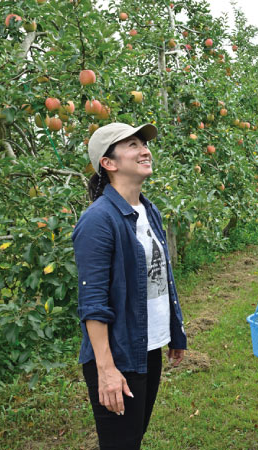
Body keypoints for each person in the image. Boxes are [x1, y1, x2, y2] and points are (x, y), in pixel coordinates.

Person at [73, 122, 187, 449]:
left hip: (147, 347)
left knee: (133, 439)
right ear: (108, 163)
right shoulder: (99, 220)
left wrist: (172, 334)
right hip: (118, 355)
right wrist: (106, 371)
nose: (145, 150)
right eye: (133, 145)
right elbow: (92, 302)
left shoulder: (148, 211)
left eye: (144, 144)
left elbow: (158, 280)